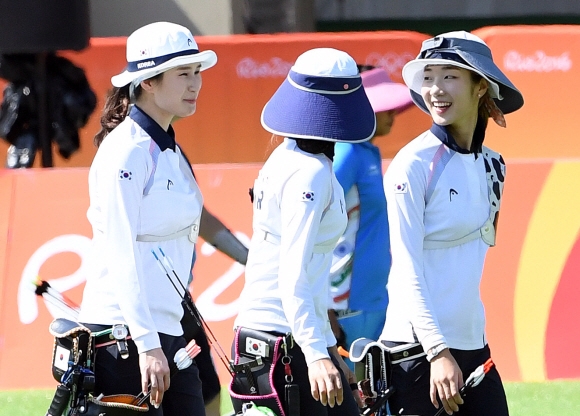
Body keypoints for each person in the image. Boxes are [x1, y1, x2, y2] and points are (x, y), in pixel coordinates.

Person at [379, 31, 524, 415]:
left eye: (450, 76)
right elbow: (407, 267)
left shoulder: (494, 165)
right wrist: (437, 351)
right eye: (428, 77)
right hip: (417, 351)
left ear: (481, 86)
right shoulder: (412, 164)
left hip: (473, 347)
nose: (435, 89)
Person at [78, 21, 217, 415]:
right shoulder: (126, 150)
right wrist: (146, 343)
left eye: (197, 72)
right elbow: (120, 251)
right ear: (149, 82)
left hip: (165, 332)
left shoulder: (168, 149)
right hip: (122, 338)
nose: (195, 84)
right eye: (183, 74)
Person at [230, 48, 376, 416]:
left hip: (287, 337)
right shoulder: (308, 172)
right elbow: (292, 272)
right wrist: (316, 354)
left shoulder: (291, 156)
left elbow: (310, 273)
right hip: (279, 341)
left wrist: (327, 349)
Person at [328, 65, 414, 365]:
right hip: (348, 304)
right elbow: (315, 224)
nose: (393, 113)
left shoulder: (365, 152)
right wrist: (324, 306)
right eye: (384, 106)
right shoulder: (347, 153)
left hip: (373, 297)